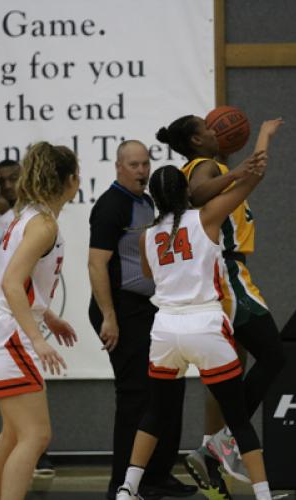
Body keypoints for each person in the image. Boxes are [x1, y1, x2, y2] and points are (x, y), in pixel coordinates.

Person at [116, 161, 276, 500]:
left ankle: (127, 488)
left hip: (165, 327)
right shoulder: (206, 217)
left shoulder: (146, 235)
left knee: (155, 412)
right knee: (237, 417)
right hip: (203, 323)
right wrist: (262, 140)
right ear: (186, 191)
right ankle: (263, 496)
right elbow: (252, 182)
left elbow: (148, 274)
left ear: (155, 198)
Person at [155, 115, 285, 496]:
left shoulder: (219, 167)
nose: (216, 130)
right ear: (197, 140)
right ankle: (217, 445)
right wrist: (236, 170)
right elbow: (196, 193)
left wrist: (263, 135)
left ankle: (214, 452)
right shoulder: (203, 168)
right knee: (274, 357)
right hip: (227, 272)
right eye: (208, 128)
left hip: (233, 272)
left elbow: (253, 173)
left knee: (229, 377)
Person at [88, 140, 196, 500]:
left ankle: (157, 474)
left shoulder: (146, 202)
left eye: (145, 163)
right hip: (119, 308)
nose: (141, 171)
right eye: (133, 165)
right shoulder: (111, 206)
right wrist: (109, 317)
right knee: (136, 395)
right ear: (118, 167)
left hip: (144, 307)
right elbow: (96, 264)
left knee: (170, 385)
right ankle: (123, 483)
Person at [0, 142, 79, 500]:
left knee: (14, 434)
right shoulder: (42, 225)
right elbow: (10, 283)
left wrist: (47, 313)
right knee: (36, 436)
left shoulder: (28, 215)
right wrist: (37, 337)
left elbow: (20, 281)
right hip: (8, 334)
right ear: (69, 180)